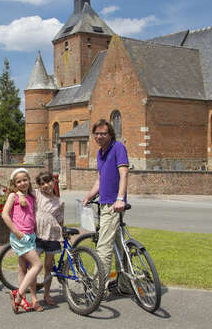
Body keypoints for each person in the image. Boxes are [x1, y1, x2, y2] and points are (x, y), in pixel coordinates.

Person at [82, 119, 129, 293]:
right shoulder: (100, 153)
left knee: (103, 248)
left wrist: (120, 198)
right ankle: (125, 285)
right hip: (104, 204)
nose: (100, 136)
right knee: (120, 246)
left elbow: (124, 175)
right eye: (97, 133)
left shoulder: (118, 147)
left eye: (103, 133)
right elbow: (100, 179)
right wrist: (89, 196)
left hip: (113, 205)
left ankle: (96, 289)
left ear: (110, 134)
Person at [1, 168, 43, 313]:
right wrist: (16, 232)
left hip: (30, 236)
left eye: (25, 180)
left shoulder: (30, 196)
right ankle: (18, 295)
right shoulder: (14, 196)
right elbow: (5, 215)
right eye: (19, 181)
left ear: (29, 180)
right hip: (20, 236)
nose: (22, 183)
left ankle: (25, 300)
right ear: (14, 183)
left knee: (22, 268)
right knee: (37, 265)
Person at [33, 172, 64, 306]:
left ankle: (46, 293)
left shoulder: (59, 202)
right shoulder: (37, 194)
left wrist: (61, 235)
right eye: (42, 183)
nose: (46, 185)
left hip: (52, 237)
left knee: (48, 266)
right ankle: (34, 296)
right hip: (38, 236)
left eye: (48, 181)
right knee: (35, 266)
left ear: (53, 181)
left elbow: (60, 221)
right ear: (39, 186)